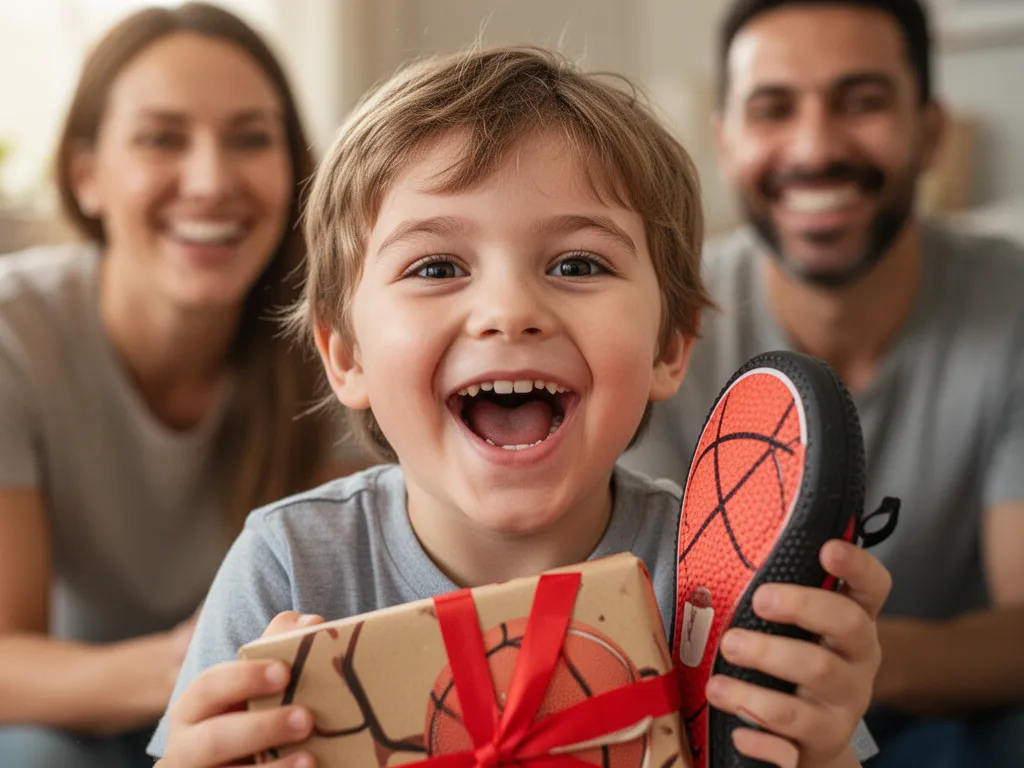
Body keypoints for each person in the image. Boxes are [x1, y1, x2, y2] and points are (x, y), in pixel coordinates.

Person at [147, 46, 892, 768]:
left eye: (577, 264)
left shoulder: (718, 577)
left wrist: (820, 748)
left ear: (670, 345)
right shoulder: (288, 568)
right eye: (436, 267)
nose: (508, 310)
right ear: (347, 355)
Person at [619, 1, 1024, 765]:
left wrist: (849, 664)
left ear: (931, 131)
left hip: (959, 722)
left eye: (862, 101)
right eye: (772, 109)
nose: (815, 147)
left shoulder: (1012, 307)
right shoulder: (658, 321)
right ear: (726, 140)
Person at [0, 4, 358, 766]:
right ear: (86, 176)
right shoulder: (14, 335)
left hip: (269, 711)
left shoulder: (335, 338)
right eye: (162, 138)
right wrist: (183, 665)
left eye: (251, 138)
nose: (210, 179)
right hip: (77, 716)